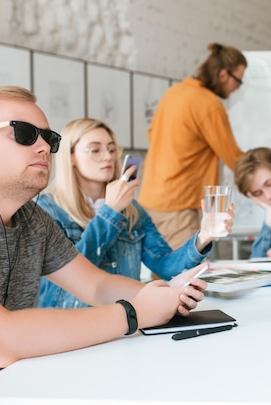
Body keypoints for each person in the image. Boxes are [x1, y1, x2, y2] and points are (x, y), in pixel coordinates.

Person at [0, 86, 208, 395]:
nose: (43, 148)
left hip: (10, 391)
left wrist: (166, 296)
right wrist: (135, 313)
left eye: (49, 139)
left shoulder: (33, 220)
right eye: (24, 133)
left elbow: (97, 285)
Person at [36, 117, 232, 308]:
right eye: (95, 150)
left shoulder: (132, 210)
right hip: (71, 325)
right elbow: (71, 276)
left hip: (125, 321)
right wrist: (110, 212)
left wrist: (203, 237)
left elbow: (165, 266)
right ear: (71, 157)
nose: (108, 156)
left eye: (112, 149)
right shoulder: (47, 210)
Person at [138, 42, 271, 249]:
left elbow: (152, 135)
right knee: (184, 276)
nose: (238, 87)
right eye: (238, 80)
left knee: (161, 277)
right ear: (223, 75)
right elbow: (235, 160)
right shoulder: (207, 104)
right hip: (179, 206)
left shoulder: (174, 93)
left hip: (150, 199)